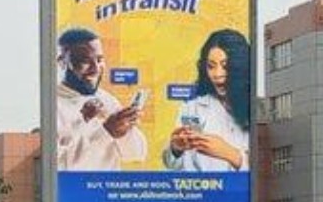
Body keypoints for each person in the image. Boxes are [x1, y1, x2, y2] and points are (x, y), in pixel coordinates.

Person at [55, 27, 148, 170]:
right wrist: (106, 132)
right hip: (72, 191)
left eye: (99, 59)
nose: (96, 68)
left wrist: (125, 132)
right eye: (85, 61)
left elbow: (136, 154)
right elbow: (58, 167)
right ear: (62, 62)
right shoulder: (52, 105)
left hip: (108, 191)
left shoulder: (107, 99)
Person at [163, 28, 251, 172]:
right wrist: (176, 150)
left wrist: (231, 154)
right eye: (211, 66)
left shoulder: (255, 107)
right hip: (202, 193)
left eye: (225, 66)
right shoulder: (192, 108)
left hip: (240, 193)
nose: (217, 74)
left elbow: (265, 167)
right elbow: (176, 167)